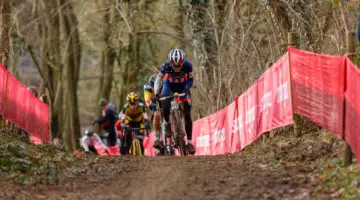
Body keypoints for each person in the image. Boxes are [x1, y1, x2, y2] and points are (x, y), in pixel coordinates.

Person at [154, 48, 195, 155]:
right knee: (165, 102)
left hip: (182, 86)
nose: (177, 68)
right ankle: (167, 123)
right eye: (174, 65)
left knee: (187, 114)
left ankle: (189, 142)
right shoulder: (166, 65)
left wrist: (187, 88)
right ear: (170, 62)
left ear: (182, 62)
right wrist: (156, 92)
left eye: (179, 65)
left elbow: (190, 79)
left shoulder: (188, 65)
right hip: (169, 85)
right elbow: (159, 79)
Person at [144, 73, 163, 150]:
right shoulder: (147, 87)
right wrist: (150, 105)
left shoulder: (163, 83)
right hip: (153, 99)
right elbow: (147, 100)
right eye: (153, 87)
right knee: (155, 113)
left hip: (162, 97)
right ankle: (156, 138)